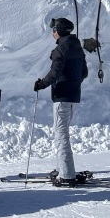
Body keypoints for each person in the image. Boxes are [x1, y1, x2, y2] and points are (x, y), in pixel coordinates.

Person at [33, 17, 88, 187]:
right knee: (62, 132)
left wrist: (41, 84)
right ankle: (62, 168)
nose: (52, 32)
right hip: (73, 96)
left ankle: (67, 175)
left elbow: (54, 73)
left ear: (60, 31)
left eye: (54, 29)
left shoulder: (61, 49)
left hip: (62, 97)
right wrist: (73, 83)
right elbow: (84, 73)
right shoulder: (77, 47)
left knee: (61, 134)